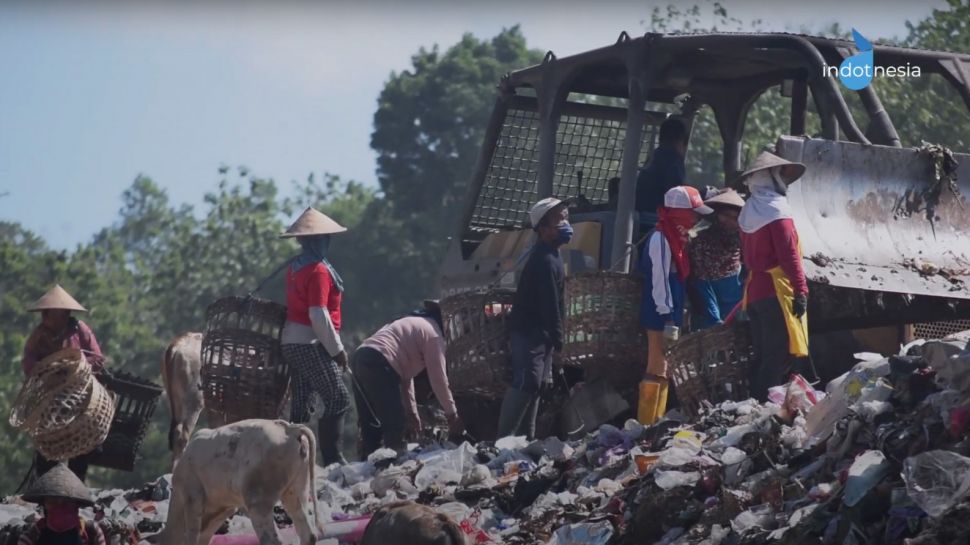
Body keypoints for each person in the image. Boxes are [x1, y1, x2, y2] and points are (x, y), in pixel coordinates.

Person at [737, 151, 814, 401]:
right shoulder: (777, 212)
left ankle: (752, 402)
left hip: (756, 293)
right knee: (776, 354)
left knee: (762, 354)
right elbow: (789, 255)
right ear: (770, 177)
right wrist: (801, 290)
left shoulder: (748, 211)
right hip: (776, 292)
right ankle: (764, 407)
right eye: (779, 174)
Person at [280, 207, 352, 466]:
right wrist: (338, 351)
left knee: (301, 405)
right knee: (338, 397)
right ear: (316, 240)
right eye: (323, 238)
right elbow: (318, 314)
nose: (326, 242)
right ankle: (333, 460)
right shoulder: (319, 271)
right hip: (308, 343)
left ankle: (290, 462)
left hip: (292, 342)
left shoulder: (296, 268)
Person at [497, 197, 571, 439]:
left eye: (565, 217)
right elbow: (550, 304)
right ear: (543, 229)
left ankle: (525, 441)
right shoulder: (544, 260)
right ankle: (503, 440)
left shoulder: (553, 256)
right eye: (559, 219)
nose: (565, 223)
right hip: (529, 331)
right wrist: (559, 340)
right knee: (527, 381)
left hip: (541, 333)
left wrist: (556, 337)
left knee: (537, 385)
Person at [351, 300, 465, 456]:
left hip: (360, 357)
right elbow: (439, 379)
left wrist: (412, 413)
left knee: (370, 421)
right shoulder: (433, 333)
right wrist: (452, 414)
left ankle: (368, 467)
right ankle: (392, 463)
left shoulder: (413, 324)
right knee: (395, 423)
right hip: (379, 361)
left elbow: (406, 377)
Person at [638, 186, 712, 425]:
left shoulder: (676, 239)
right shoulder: (660, 239)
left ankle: (655, 420)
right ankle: (647, 423)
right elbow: (658, 281)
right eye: (693, 213)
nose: (696, 219)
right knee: (656, 366)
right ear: (680, 213)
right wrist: (667, 316)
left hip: (672, 308)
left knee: (665, 368)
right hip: (660, 311)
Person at [22, 285, 106, 481]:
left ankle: (76, 486)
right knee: (47, 445)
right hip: (50, 397)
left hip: (79, 394)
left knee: (81, 444)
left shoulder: (80, 330)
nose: (47, 318)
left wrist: (76, 366)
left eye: (52, 314)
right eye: (47, 314)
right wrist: (45, 368)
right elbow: (28, 361)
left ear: (64, 314)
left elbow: (98, 359)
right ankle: (46, 487)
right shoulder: (39, 334)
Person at [688, 189, 745, 329]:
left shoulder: (742, 241)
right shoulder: (700, 241)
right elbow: (700, 280)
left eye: (735, 218)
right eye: (725, 215)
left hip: (733, 295)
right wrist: (713, 316)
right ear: (716, 214)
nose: (730, 221)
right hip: (706, 298)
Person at [18, 463, 107, 545]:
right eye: (53, 502)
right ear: (44, 505)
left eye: (67, 502)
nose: (60, 507)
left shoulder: (91, 530)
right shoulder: (34, 532)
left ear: (76, 505)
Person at [635, 118, 689, 216]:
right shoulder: (673, 159)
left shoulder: (655, 155)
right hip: (654, 216)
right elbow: (676, 193)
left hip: (641, 212)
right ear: (681, 141)